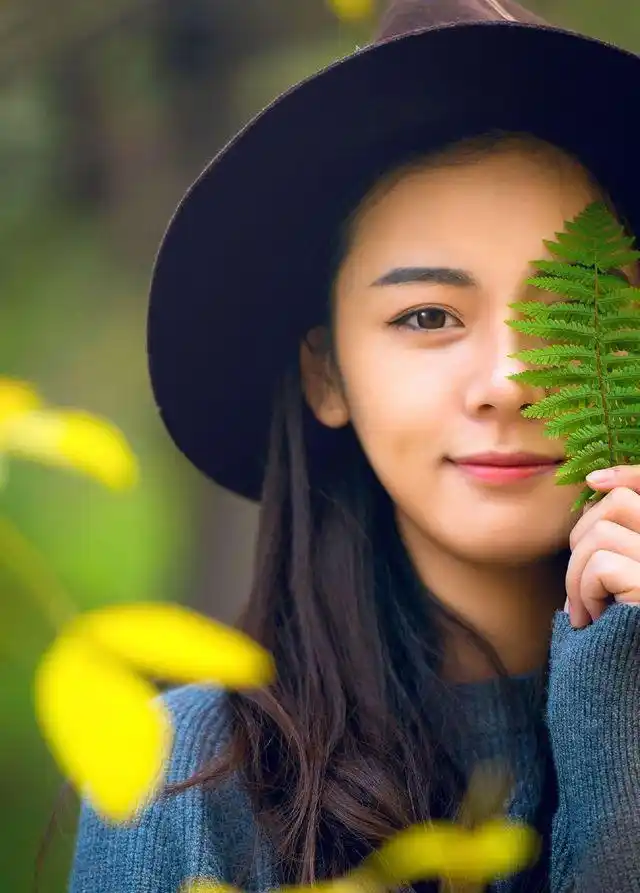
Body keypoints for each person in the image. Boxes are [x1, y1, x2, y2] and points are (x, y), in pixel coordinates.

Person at [69, 1, 640, 891]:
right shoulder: (183, 780)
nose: (508, 379)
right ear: (328, 373)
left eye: (571, 310)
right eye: (428, 316)